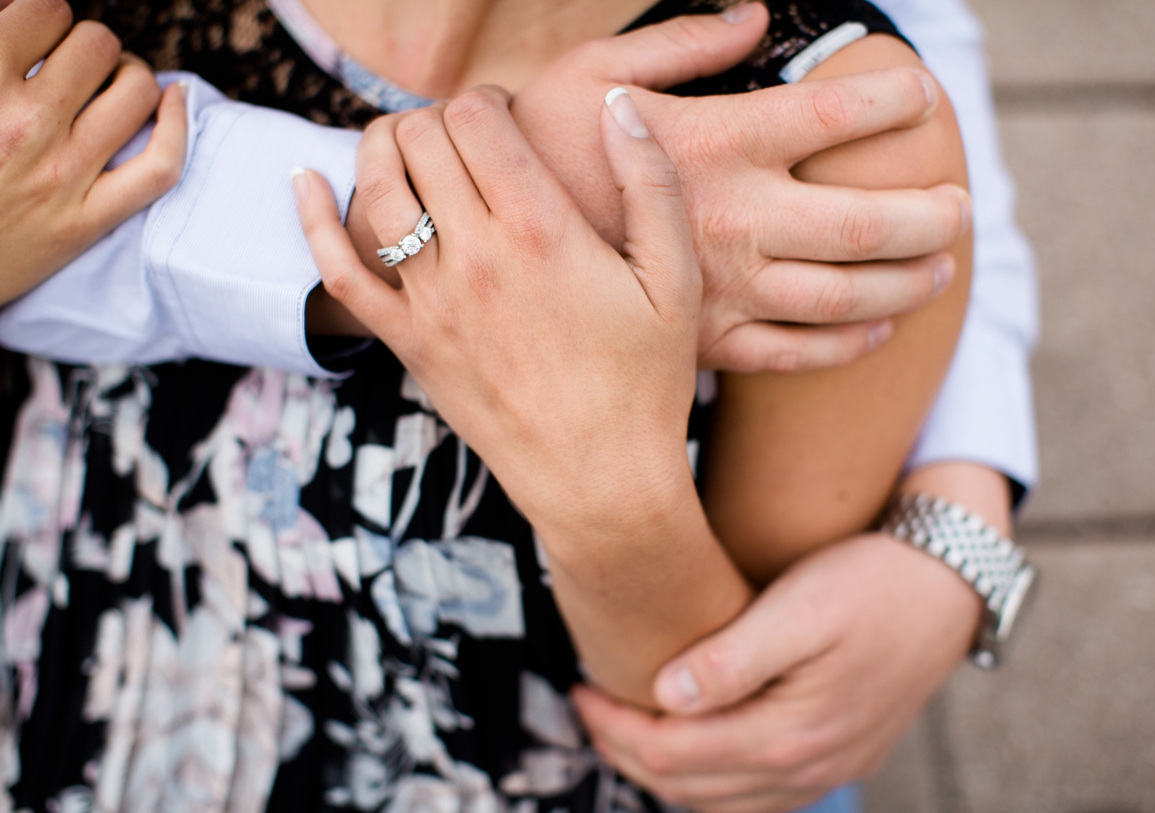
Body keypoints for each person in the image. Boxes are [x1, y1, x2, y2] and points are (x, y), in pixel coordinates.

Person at [0, 1, 1036, 812]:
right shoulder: (65, 29)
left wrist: (610, 492)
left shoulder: (824, 130)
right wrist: (457, 223)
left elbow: (717, 723)